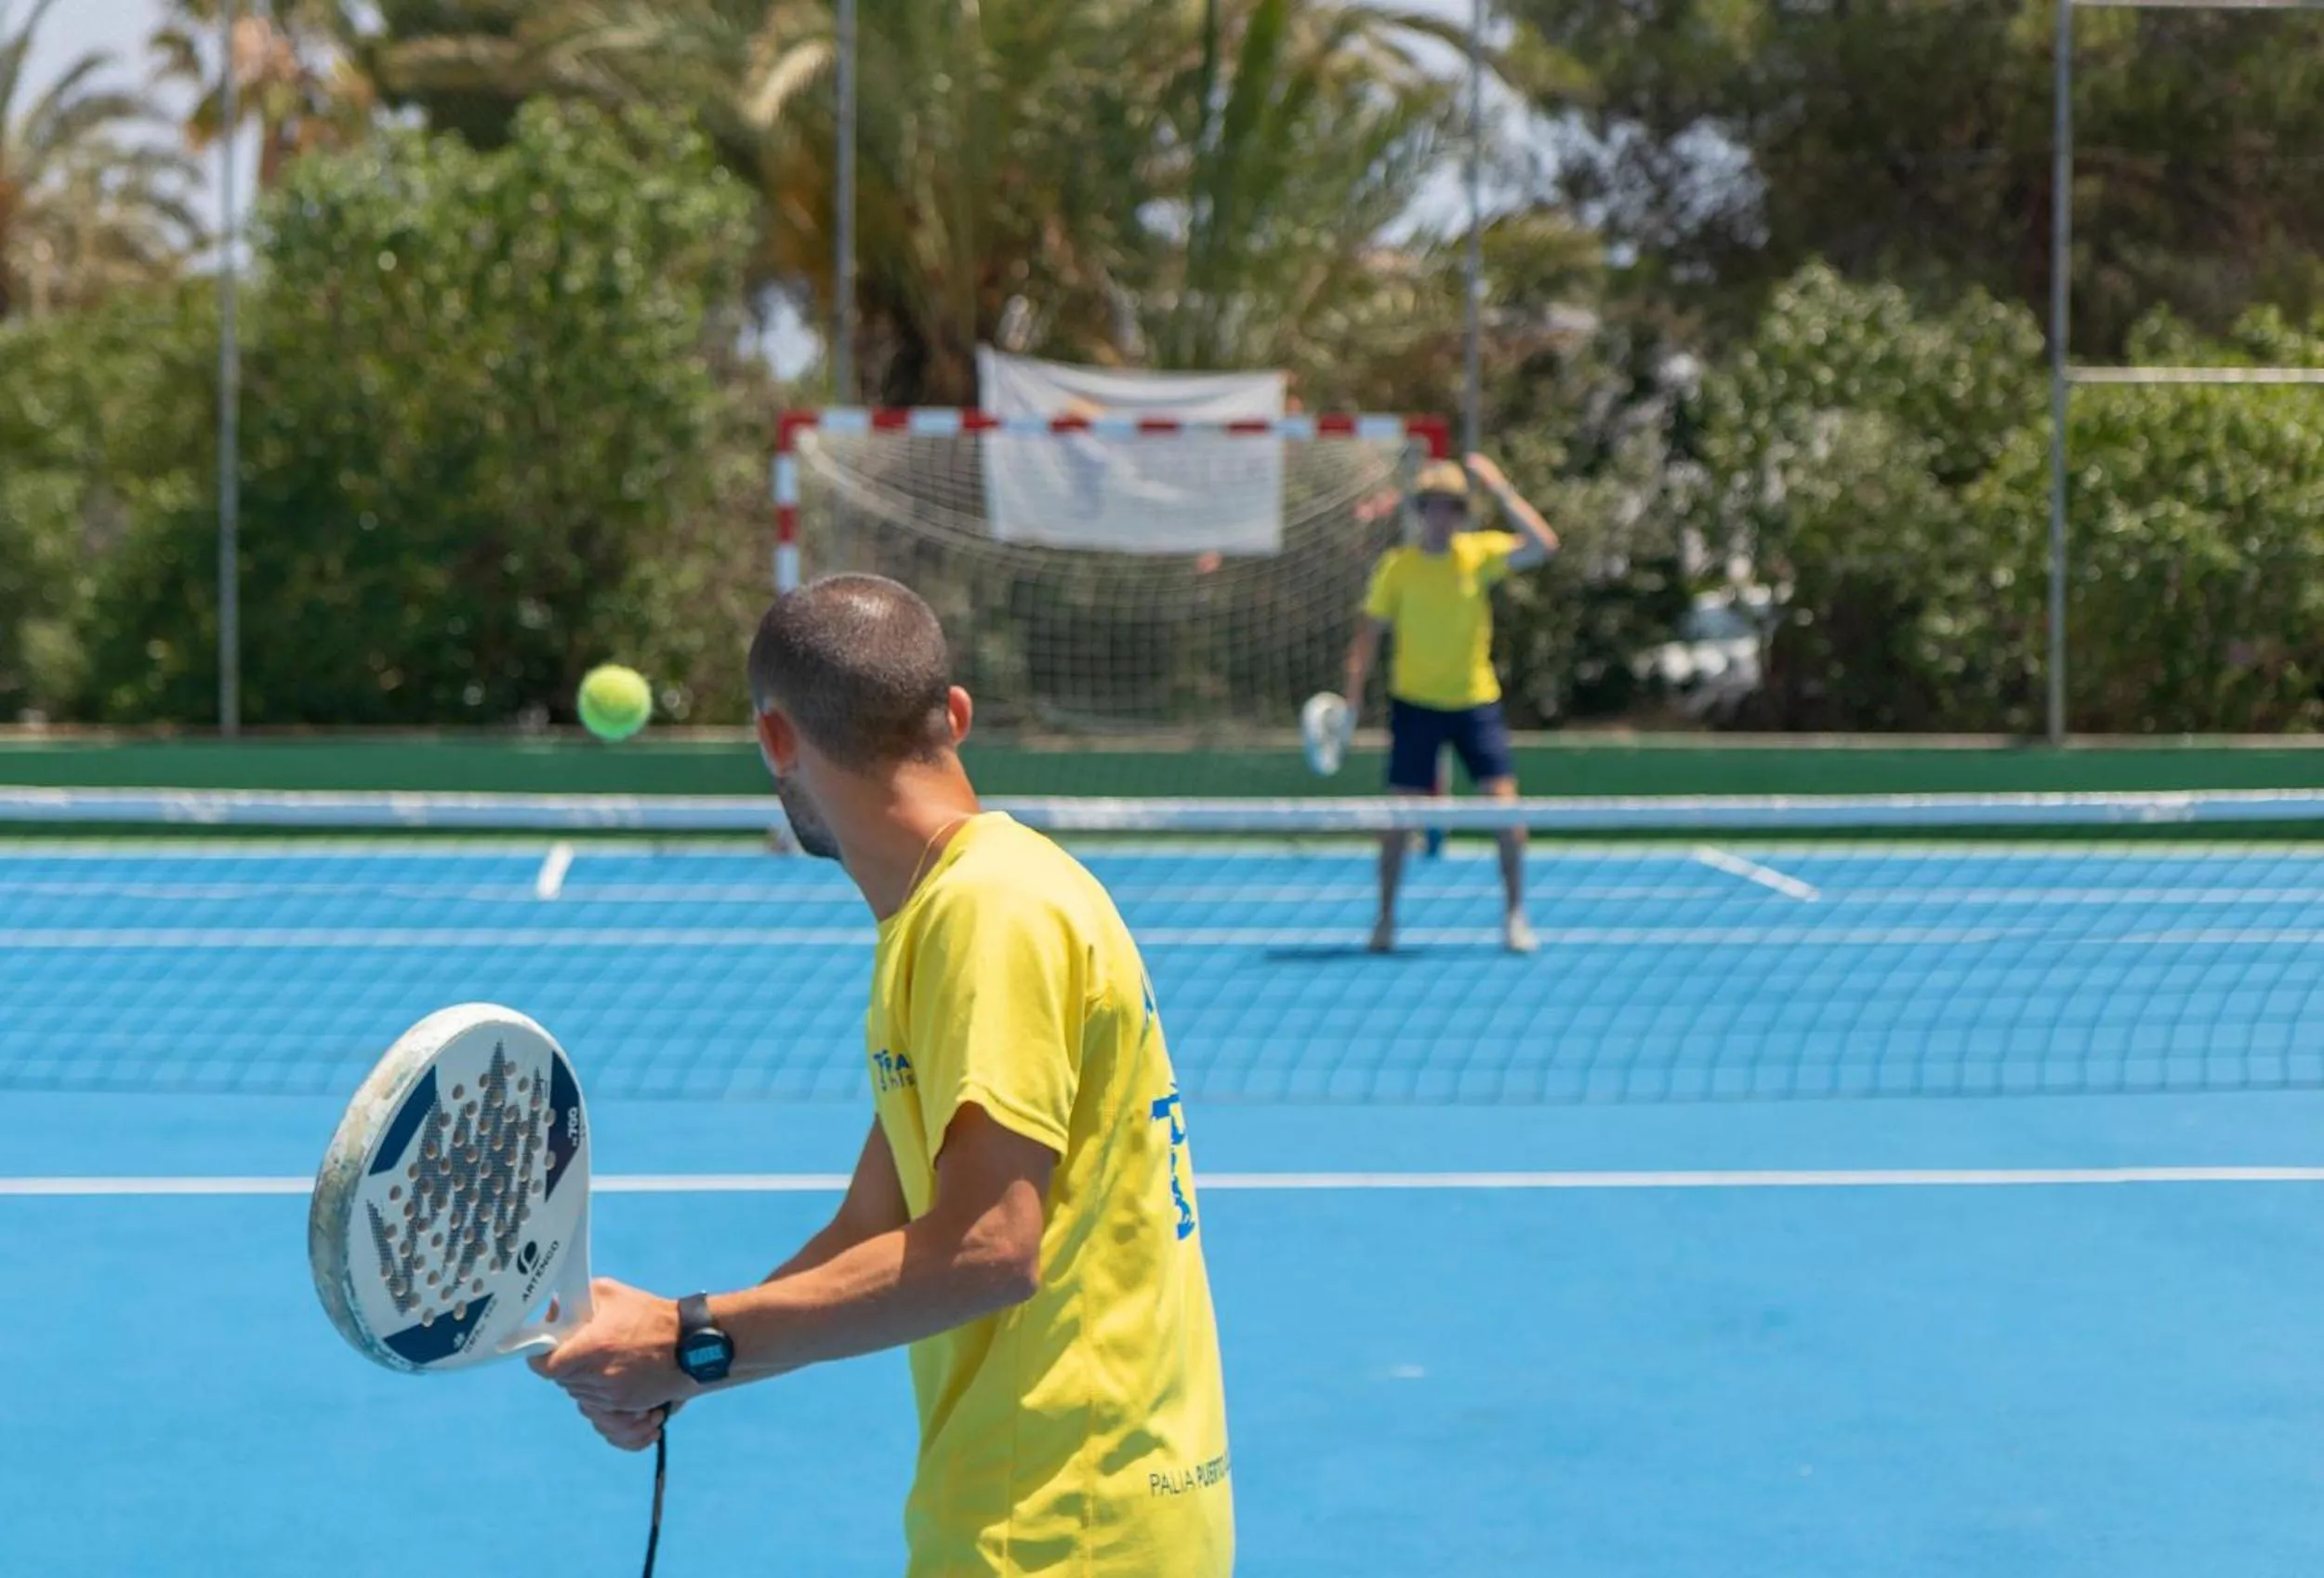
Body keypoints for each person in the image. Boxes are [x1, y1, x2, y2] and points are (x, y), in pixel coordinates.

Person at [533, 575, 1234, 1577]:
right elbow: (874, 1218)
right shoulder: (960, 907)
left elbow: (991, 1247)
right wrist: (680, 1367)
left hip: (1060, 1527)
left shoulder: (986, 911)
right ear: (954, 713)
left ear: (776, 741)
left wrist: (692, 1336)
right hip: (1056, 1513)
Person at [1341, 454, 1559, 955]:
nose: (1443, 517)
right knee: (1397, 822)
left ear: (1463, 513)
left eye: (1453, 508)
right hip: (1415, 707)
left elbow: (1544, 545)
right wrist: (1352, 701)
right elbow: (1367, 635)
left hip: (1475, 705)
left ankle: (1515, 916)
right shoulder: (1398, 568)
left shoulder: (1479, 555)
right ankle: (1385, 920)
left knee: (1506, 812)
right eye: (1434, 507)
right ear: (1421, 511)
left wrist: (1501, 488)